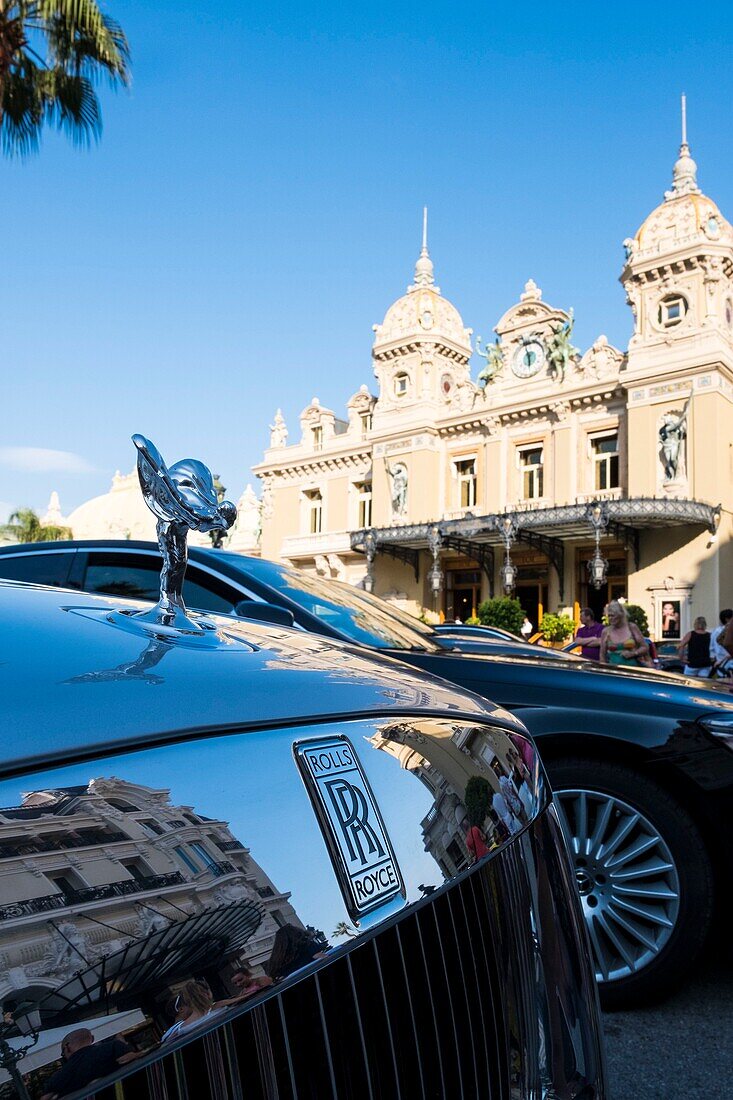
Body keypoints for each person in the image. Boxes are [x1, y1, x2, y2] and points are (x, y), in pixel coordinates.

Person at [40, 1028, 139, 1099]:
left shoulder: (57, 1077)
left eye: (63, 1053)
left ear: (67, 1047)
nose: (65, 1056)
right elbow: (131, 1061)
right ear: (92, 1038)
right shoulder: (113, 1047)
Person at [160, 979, 222, 1044]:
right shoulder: (177, 1031)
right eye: (188, 1004)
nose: (192, 1007)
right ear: (181, 1009)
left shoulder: (172, 1034)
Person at [600, 601, 652, 667]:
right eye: (609, 616)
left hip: (633, 671)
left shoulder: (632, 628)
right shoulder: (606, 632)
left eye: (612, 615)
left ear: (620, 615)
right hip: (614, 671)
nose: (610, 618)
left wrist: (633, 653)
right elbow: (602, 656)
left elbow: (645, 647)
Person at [710, 609, 733, 677]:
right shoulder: (727, 631)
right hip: (726, 664)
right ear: (727, 619)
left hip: (720, 664)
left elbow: (711, 648)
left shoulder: (715, 631)